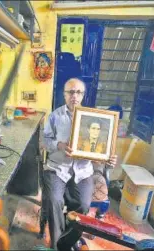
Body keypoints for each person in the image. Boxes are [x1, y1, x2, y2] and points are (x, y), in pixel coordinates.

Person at [42, 78, 117, 249]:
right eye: (70, 92)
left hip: (83, 170)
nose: (74, 96)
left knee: (83, 205)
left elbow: (103, 149)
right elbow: (44, 141)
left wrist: (109, 160)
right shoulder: (55, 116)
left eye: (78, 92)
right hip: (57, 168)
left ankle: (69, 238)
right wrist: (59, 145)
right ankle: (58, 245)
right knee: (54, 201)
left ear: (83, 95)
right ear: (64, 94)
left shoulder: (92, 118)